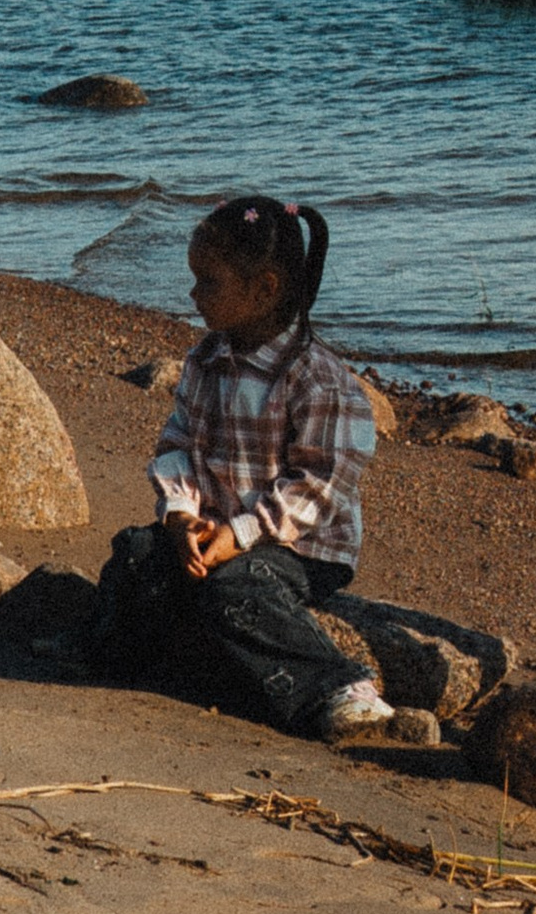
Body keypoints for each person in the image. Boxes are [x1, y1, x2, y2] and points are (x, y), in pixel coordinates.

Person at [75, 194, 392, 745]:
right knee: (137, 554)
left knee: (237, 588)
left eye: (208, 282)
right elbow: (177, 444)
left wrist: (241, 533)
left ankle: (341, 688)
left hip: (300, 547)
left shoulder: (316, 379)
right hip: (212, 531)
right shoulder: (205, 360)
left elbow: (320, 487)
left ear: (265, 288)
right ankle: (117, 651)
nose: (193, 295)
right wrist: (180, 517)